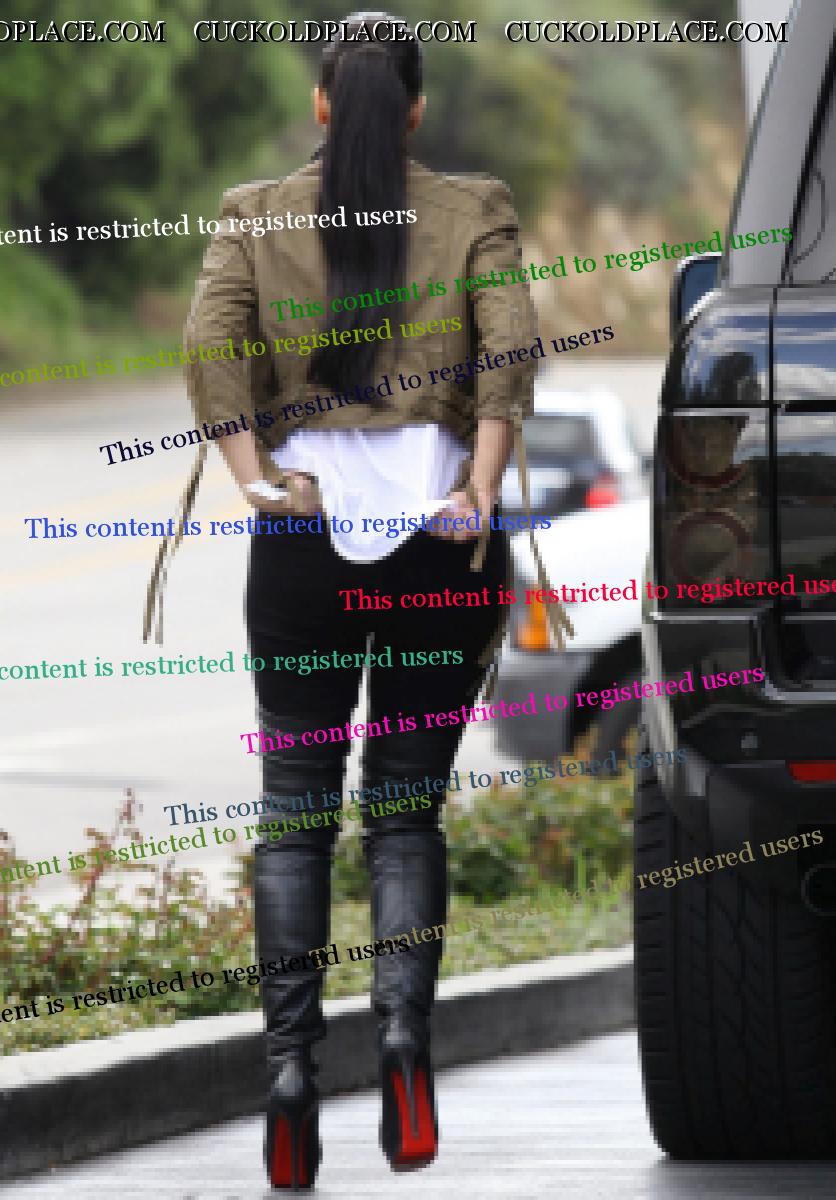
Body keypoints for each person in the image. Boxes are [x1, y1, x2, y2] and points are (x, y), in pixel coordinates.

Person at [145, 10, 569, 1190]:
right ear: (418, 110)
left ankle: (290, 1071)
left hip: (302, 536)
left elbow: (209, 348)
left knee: (295, 814)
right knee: (405, 816)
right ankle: (402, 1042)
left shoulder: (253, 212)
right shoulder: (476, 209)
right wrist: (480, 490)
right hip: (443, 545)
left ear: (322, 106)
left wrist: (253, 482)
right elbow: (510, 355)